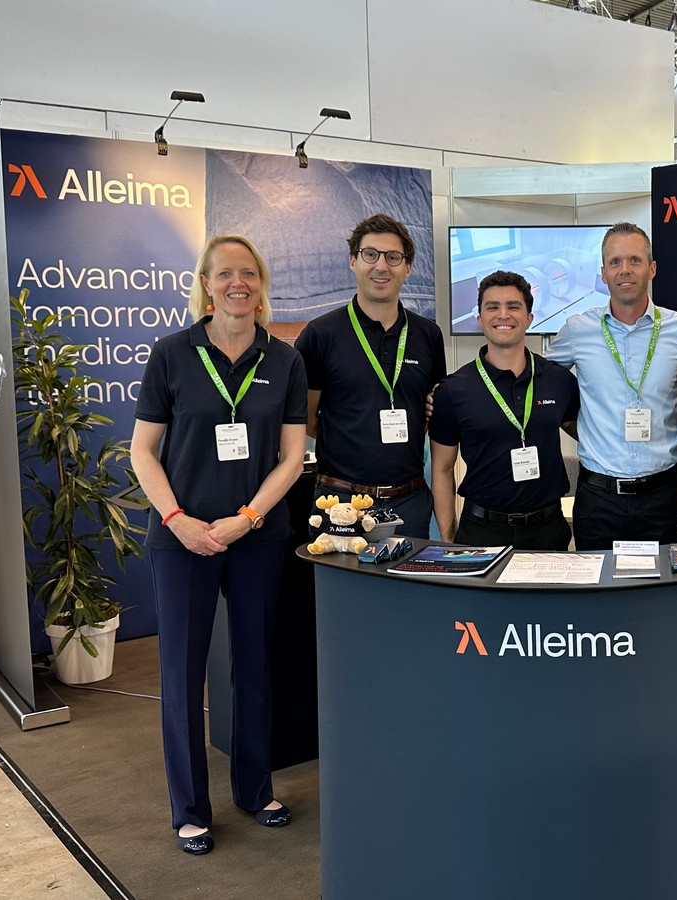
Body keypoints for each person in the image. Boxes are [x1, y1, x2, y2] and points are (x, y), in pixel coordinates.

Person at [131, 234, 309, 855]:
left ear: (260, 285)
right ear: (206, 284)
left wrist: (249, 518)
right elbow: (142, 452)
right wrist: (178, 519)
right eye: (226, 274)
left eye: (250, 274)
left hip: (256, 535)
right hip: (181, 538)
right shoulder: (172, 355)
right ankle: (189, 809)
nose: (239, 284)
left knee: (254, 665)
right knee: (181, 674)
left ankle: (255, 790)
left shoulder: (283, 360)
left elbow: (291, 458)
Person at [548, 223, 677, 550]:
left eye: (634, 260)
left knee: (662, 597)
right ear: (603, 273)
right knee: (598, 598)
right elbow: (536, 380)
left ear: (652, 268)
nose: (625, 270)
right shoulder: (578, 330)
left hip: (665, 498)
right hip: (598, 500)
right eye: (615, 262)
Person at [295, 214, 445, 537]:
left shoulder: (428, 335)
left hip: (410, 503)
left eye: (393, 257)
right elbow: (307, 417)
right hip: (340, 503)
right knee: (344, 589)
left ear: (407, 267)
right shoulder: (320, 335)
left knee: (410, 589)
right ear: (353, 261)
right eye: (370, 255)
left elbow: (431, 410)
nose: (381, 266)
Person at [430, 271, 579, 550]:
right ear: (480, 319)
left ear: (529, 318)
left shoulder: (558, 380)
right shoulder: (453, 390)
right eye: (492, 306)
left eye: (513, 306)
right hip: (481, 531)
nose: (503, 315)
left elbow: (584, 430)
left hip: (547, 530)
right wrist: (448, 538)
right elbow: (442, 468)